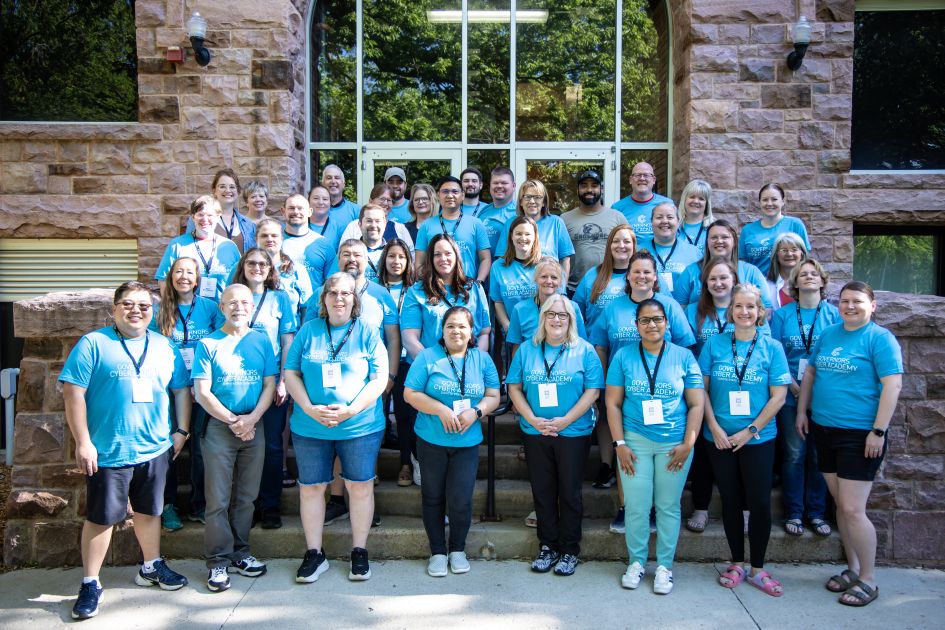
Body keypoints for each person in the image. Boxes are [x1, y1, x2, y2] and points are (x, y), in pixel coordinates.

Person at [61, 282, 192, 620]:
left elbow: (180, 390)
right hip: (108, 450)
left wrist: (181, 430)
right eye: (128, 304)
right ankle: (91, 582)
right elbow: (73, 393)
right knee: (102, 518)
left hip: (155, 447)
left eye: (144, 306)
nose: (136, 310)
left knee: (150, 511)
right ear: (114, 309)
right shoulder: (94, 343)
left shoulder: (164, 346)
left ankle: (151, 566)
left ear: (153, 312)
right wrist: (83, 441)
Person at [797, 281, 902, 607]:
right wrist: (803, 411)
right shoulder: (829, 333)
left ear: (872, 305)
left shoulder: (880, 339)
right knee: (840, 504)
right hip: (824, 428)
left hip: (860, 435)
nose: (850, 306)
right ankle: (853, 568)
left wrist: (878, 431)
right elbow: (811, 373)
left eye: (857, 301)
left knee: (854, 509)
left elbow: (892, 385)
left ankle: (869, 579)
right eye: (844, 301)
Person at [283, 272, 389, 583]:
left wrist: (351, 410)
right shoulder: (308, 331)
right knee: (312, 487)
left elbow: (379, 379)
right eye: (333, 293)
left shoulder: (367, 332)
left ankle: (359, 551)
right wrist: (308, 408)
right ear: (324, 299)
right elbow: (291, 373)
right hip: (310, 426)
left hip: (359, 426)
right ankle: (315, 554)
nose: (339, 298)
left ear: (355, 300)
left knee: (359, 485)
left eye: (345, 293)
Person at [606, 299, 704, 594]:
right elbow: (612, 402)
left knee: (668, 506)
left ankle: (664, 567)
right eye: (645, 320)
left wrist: (689, 443)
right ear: (636, 325)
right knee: (636, 506)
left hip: (674, 443)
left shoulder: (684, 357)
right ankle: (636, 562)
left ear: (667, 322)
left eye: (658, 319)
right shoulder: (623, 356)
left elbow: (697, 403)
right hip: (634, 441)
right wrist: (619, 443)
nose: (652, 325)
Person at [700, 284, 790, 598]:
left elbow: (778, 397)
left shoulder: (772, 348)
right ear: (730, 310)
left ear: (760, 312)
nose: (744, 312)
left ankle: (758, 568)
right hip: (720, 439)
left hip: (758, 439)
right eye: (738, 306)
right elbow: (702, 391)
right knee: (731, 501)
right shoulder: (714, 344)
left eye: (751, 307)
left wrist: (750, 431)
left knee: (761, 503)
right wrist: (714, 428)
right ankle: (737, 563)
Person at [304, 239, 402, 521]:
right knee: (335, 434)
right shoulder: (321, 294)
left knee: (365, 444)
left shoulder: (381, 294)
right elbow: (308, 332)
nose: (351, 259)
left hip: (371, 381)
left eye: (357, 254)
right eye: (345, 254)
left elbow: (393, 337)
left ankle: (361, 500)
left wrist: (391, 375)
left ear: (367, 259)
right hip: (330, 384)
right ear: (338, 258)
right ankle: (337, 498)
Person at [507, 296, 603, 576]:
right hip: (535, 431)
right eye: (551, 314)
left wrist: (564, 421)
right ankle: (547, 546)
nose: (557, 319)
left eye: (563, 315)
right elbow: (514, 388)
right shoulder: (527, 349)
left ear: (571, 319)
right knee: (543, 490)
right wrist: (532, 419)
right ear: (543, 317)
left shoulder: (584, 350)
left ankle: (570, 550)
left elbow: (593, 391)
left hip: (572, 431)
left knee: (570, 492)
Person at [193, 284, 278, 592]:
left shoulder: (261, 341)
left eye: (244, 302)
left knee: (247, 497)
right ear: (222, 307)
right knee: (217, 499)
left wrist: (252, 419)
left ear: (252, 305)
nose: (239, 307)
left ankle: (241, 553)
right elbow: (202, 392)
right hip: (220, 428)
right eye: (232, 302)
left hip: (254, 426)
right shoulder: (209, 344)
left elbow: (270, 384)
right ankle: (217, 562)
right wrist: (234, 421)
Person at [404, 307, 501, 577]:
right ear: (442, 330)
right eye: (450, 326)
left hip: (466, 442)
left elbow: (493, 395)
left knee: (460, 499)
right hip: (431, 439)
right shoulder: (427, 357)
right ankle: (437, 551)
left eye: (462, 326)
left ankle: (457, 549)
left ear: (471, 332)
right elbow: (410, 393)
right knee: (432, 496)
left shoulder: (482, 360)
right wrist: (441, 410)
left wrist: (476, 411)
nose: (456, 331)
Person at [684, 258, 770, 534]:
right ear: (705, 284)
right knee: (703, 455)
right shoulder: (693, 311)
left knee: (743, 460)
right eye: (713, 279)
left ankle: (744, 510)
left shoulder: (748, 313)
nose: (718, 283)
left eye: (724, 278)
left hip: (744, 390)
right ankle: (701, 506)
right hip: (703, 387)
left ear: (734, 281)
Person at [150, 258, 224, 530]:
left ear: (197, 279)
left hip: (204, 386)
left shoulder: (211, 308)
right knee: (169, 447)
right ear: (170, 277)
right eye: (178, 271)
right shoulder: (158, 311)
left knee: (202, 450)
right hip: (170, 389)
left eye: (189, 272)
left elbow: (222, 343)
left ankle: (199, 504)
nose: (183, 276)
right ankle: (167, 506)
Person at [771, 259, 839, 538]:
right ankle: (794, 512)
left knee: (818, 455)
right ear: (794, 283)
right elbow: (775, 353)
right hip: (789, 395)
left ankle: (817, 512)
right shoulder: (782, 315)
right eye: (803, 275)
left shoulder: (834, 315)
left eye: (814, 274)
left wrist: (812, 390)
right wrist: (796, 387)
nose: (809, 277)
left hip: (823, 396)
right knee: (794, 454)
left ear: (822, 281)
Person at [231, 249, 299, 530]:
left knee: (271, 447)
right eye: (251, 263)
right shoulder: (232, 295)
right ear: (243, 266)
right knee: (239, 445)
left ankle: (270, 505)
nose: (257, 267)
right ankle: (243, 507)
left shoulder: (280, 298)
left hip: (270, 383)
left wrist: (284, 380)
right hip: (236, 382)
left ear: (271, 269)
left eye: (263, 263)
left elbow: (287, 342)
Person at [402, 234, 492, 360]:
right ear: (430, 259)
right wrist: (436, 366)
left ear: (456, 255)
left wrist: (472, 363)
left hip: (469, 367)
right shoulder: (416, 291)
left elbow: (484, 333)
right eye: (437, 254)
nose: (443, 258)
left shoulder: (475, 288)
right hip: (430, 367)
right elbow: (409, 337)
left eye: (448, 253)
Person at [379, 239, 420, 487]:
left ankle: (407, 461)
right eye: (392, 256)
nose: (396, 262)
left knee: (405, 415)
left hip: (406, 361)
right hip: (376, 362)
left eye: (402, 257)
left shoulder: (416, 289)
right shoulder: (373, 289)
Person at [156, 195, 242, 302]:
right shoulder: (177, 245)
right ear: (193, 217)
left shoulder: (229, 247)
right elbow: (163, 280)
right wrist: (170, 310)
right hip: (188, 313)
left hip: (222, 312)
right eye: (200, 215)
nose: (205, 219)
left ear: (218, 217)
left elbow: (240, 280)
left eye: (210, 215)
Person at [672, 219, 772, 309]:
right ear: (707, 242)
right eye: (714, 237)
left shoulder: (751, 271)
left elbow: (767, 308)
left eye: (725, 237)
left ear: (734, 242)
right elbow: (679, 309)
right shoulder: (691, 271)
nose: (719, 241)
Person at [415, 176, 492, 284]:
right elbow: (419, 263)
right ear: (438, 195)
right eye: (445, 191)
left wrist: (478, 283)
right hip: (436, 289)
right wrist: (428, 284)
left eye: (455, 191)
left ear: (463, 195)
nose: (450, 195)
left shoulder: (476, 223)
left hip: (468, 287)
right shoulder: (426, 225)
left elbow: (485, 259)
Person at [561, 170, 627, 293]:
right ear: (577, 190)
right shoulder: (564, 219)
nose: (589, 190)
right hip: (573, 289)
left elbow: (630, 251)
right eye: (584, 186)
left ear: (601, 189)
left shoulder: (617, 217)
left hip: (610, 287)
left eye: (594, 186)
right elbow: (559, 256)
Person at [495, 179, 575, 280]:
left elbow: (565, 260)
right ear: (520, 201)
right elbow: (502, 258)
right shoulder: (511, 223)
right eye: (527, 197)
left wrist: (561, 288)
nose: (532, 201)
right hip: (517, 288)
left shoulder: (556, 222)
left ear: (544, 202)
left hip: (549, 288)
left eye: (537, 197)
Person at [507, 257, 587, 351]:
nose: (549, 281)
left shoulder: (572, 308)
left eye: (554, 277)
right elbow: (517, 350)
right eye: (544, 277)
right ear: (536, 279)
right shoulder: (519, 310)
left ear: (560, 281)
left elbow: (582, 345)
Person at [572, 224, 637, 330]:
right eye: (615, 241)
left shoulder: (644, 276)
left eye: (626, 241)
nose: (621, 245)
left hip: (633, 345)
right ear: (609, 245)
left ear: (634, 245)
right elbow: (576, 312)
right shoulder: (592, 275)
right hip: (594, 343)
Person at [739, 183, 811, 276]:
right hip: (756, 286)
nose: (769, 203)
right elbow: (742, 263)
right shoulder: (747, 230)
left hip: (788, 285)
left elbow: (804, 258)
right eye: (765, 200)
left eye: (774, 199)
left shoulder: (795, 224)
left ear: (783, 201)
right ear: (759, 202)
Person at [490, 216, 542, 335]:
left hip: (541, 332)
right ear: (511, 236)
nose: (523, 238)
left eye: (528, 234)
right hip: (512, 333)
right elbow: (498, 302)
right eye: (518, 233)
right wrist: (507, 326)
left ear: (535, 237)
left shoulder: (544, 265)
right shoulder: (498, 267)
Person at [185, 168, 257, 253]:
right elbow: (188, 249)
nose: (227, 190)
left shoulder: (248, 224)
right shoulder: (199, 219)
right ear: (214, 191)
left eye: (232, 187)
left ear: (238, 191)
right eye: (222, 186)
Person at [637, 202, 702, 296]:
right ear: (651, 221)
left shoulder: (694, 253)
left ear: (678, 221)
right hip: (646, 308)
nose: (664, 221)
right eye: (659, 217)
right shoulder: (638, 251)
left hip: (684, 309)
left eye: (670, 217)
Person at [256, 218, 313, 321]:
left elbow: (306, 308)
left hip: (291, 333)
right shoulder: (244, 267)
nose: (269, 239)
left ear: (282, 238)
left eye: (274, 235)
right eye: (264, 236)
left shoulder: (297, 270)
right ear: (256, 239)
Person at [338, 184, 415, 248]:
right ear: (370, 201)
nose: (385, 203)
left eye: (389, 200)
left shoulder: (400, 229)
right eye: (382, 199)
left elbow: (410, 256)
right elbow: (343, 253)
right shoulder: (354, 227)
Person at [612, 162, 672, 240]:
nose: (642, 178)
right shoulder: (617, 208)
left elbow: (675, 234)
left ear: (653, 180)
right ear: (630, 180)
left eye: (646, 175)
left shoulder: (668, 204)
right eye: (637, 175)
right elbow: (612, 239)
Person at [279, 193, 323, 287]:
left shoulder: (322, 243)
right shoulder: (273, 242)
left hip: (314, 301)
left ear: (309, 212)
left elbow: (331, 280)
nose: (296, 212)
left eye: (300, 208)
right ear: (283, 211)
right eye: (291, 208)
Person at [475, 166, 517, 255]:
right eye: (495, 183)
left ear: (513, 186)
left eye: (504, 183)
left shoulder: (519, 212)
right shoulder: (483, 211)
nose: (499, 186)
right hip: (482, 267)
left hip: (505, 267)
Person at [766, 232, 809, 308]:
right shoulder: (766, 285)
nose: (789, 254)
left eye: (794, 249)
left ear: (802, 254)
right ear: (776, 255)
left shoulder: (812, 281)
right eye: (784, 250)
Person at [676, 179, 715, 256]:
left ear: (707, 203)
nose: (696, 201)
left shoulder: (713, 227)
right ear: (684, 199)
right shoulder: (673, 225)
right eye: (692, 197)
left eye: (701, 199)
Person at [308, 185, 345, 249]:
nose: (320, 202)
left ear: (330, 203)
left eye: (325, 199)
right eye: (316, 198)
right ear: (308, 201)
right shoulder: (300, 225)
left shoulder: (339, 227)